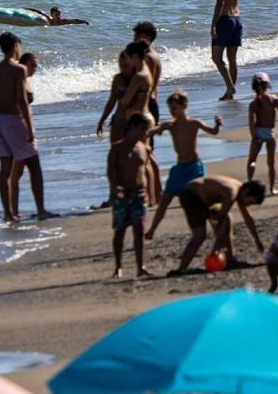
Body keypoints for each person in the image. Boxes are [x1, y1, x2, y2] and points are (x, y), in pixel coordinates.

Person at [145, 90, 222, 238]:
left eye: (174, 108)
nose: (172, 112)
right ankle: (151, 231)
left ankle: (216, 226)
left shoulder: (194, 123)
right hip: (179, 169)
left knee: (203, 200)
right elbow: (152, 131)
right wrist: (144, 131)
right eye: (170, 109)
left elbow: (213, 132)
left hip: (194, 168)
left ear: (184, 105)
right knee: (165, 201)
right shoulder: (171, 125)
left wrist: (217, 125)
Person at [0, 32, 36, 223]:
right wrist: (29, 128)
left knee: (4, 168)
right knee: (30, 161)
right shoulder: (18, 70)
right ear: (15, 46)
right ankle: (33, 209)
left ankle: (8, 212)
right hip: (12, 119)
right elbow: (22, 101)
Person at [173, 175, 266, 273]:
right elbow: (220, 221)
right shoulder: (232, 193)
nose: (248, 205)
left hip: (207, 200)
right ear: (246, 191)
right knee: (199, 236)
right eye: (250, 202)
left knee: (228, 218)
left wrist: (257, 239)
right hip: (191, 195)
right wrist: (217, 246)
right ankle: (181, 269)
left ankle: (230, 260)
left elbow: (248, 218)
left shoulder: (240, 190)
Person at [107, 111, 154, 278]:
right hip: (122, 193)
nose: (145, 133)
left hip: (139, 194)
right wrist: (114, 189)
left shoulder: (144, 148)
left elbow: (147, 171)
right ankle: (118, 266)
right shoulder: (117, 148)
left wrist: (152, 193)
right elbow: (111, 171)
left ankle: (140, 266)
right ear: (133, 127)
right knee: (120, 231)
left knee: (139, 230)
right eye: (143, 129)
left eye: (146, 130)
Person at [9, 53, 54, 220]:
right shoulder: (19, 80)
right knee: (33, 169)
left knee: (18, 170)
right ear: (24, 64)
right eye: (33, 65)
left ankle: (13, 211)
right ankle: (38, 210)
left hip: (20, 126)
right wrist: (28, 128)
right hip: (20, 127)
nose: (35, 69)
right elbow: (19, 104)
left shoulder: (23, 80)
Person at [246, 71, 278, 195]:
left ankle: (249, 184)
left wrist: (254, 136)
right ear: (267, 85)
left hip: (258, 132)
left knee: (252, 160)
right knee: (271, 163)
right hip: (270, 133)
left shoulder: (253, 104)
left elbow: (251, 123)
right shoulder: (273, 99)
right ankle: (272, 188)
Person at [206, 0, 243, 100]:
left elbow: (220, 4)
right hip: (237, 19)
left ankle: (230, 87)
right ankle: (231, 91)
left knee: (216, 57)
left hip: (225, 20)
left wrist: (213, 25)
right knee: (232, 58)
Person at [21, 7, 88, 26]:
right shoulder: (49, 19)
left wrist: (85, 21)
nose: (59, 16)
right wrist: (26, 9)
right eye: (56, 14)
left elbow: (75, 20)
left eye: (59, 14)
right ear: (51, 14)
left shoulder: (63, 21)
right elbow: (39, 12)